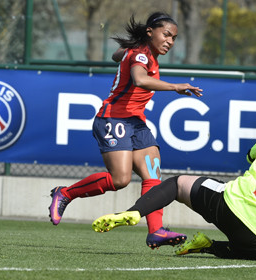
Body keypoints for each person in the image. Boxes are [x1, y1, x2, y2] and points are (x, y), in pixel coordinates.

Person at [90, 97, 256, 261]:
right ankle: (208, 246)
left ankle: (135, 212)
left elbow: (250, 157)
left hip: (227, 206)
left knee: (177, 183)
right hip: (255, 237)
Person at [48, 11, 203, 249]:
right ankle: (65, 193)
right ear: (150, 32)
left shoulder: (141, 51)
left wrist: (127, 51)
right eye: (167, 35)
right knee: (120, 179)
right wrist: (174, 86)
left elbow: (115, 54)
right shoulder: (142, 55)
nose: (170, 41)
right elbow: (140, 80)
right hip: (113, 119)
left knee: (153, 175)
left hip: (136, 122)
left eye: (174, 38)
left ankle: (156, 231)